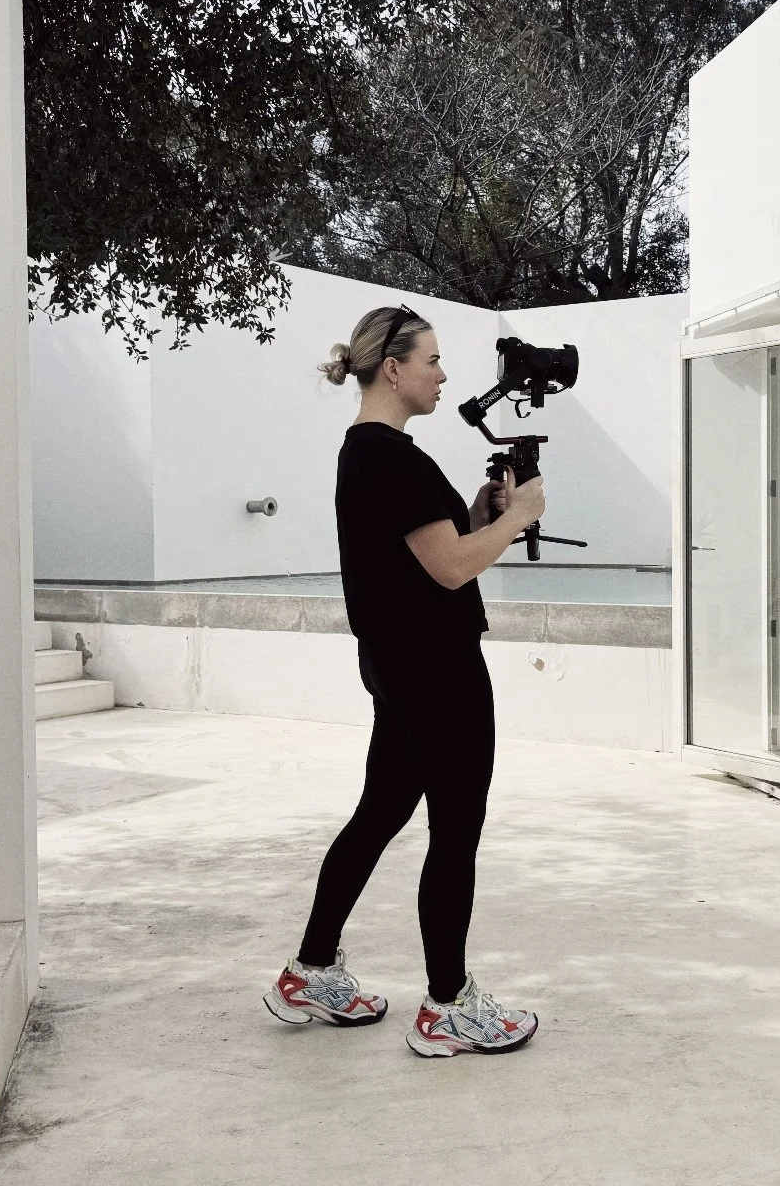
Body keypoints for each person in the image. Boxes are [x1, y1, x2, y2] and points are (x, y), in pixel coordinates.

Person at [263, 304, 546, 1054]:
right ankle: (448, 1007)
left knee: (381, 812)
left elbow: (431, 549)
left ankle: (311, 969)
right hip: (437, 669)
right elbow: (452, 567)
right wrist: (516, 518)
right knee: (455, 830)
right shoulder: (393, 457)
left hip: (395, 664)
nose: (443, 375)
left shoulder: (367, 454)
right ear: (393, 367)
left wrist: (486, 512)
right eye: (432, 361)